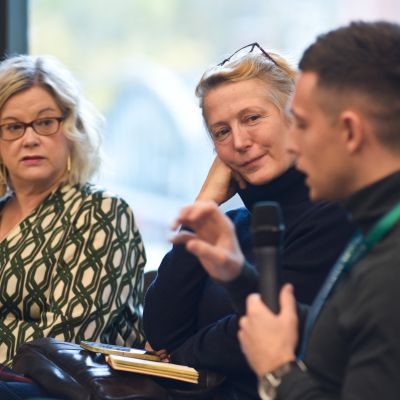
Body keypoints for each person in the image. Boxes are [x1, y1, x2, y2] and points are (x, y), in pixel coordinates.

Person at [172, 21, 400, 399]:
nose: (293, 142)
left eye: (303, 125)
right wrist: (237, 277)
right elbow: (336, 332)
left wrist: (277, 372)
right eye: (221, 131)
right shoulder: (376, 232)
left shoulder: (388, 267)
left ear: (350, 132)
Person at [144, 44, 355, 399]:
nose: (239, 142)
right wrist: (205, 204)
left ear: (297, 118)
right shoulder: (233, 226)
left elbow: (269, 327)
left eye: (252, 118)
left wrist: (181, 358)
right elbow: (161, 329)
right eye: (221, 132)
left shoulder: (335, 215)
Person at [0, 54, 146, 368]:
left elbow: (60, 345)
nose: (30, 138)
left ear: (72, 128)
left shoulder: (103, 212)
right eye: (13, 126)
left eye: (45, 122)